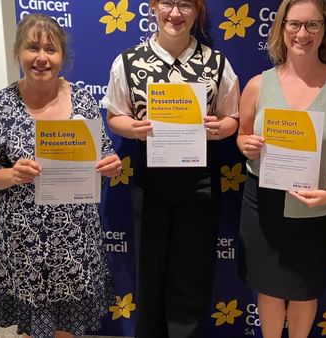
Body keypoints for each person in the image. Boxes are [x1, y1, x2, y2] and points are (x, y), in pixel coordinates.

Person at [0, 14, 122, 338]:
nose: (41, 57)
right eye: (32, 47)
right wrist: (10, 173)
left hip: (75, 238)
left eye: (50, 49)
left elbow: (104, 153)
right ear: (18, 53)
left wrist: (111, 164)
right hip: (23, 240)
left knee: (68, 326)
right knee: (33, 328)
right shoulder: (0, 106)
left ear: (62, 57)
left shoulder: (81, 100)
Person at [102, 0, 240, 336]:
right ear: (153, 7)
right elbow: (114, 115)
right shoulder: (128, 62)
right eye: (167, 3)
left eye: (184, 5)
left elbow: (232, 117)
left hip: (199, 182)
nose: (175, 13)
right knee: (149, 272)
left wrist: (221, 128)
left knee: (192, 272)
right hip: (150, 182)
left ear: (197, 11)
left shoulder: (216, 62)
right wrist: (132, 128)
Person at [236, 0, 326, 336]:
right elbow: (243, 134)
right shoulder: (258, 85)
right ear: (281, 28)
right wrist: (244, 143)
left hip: (314, 206)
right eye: (294, 24)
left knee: (305, 288)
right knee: (268, 285)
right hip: (263, 203)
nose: (302, 33)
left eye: (312, 25)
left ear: (325, 30)